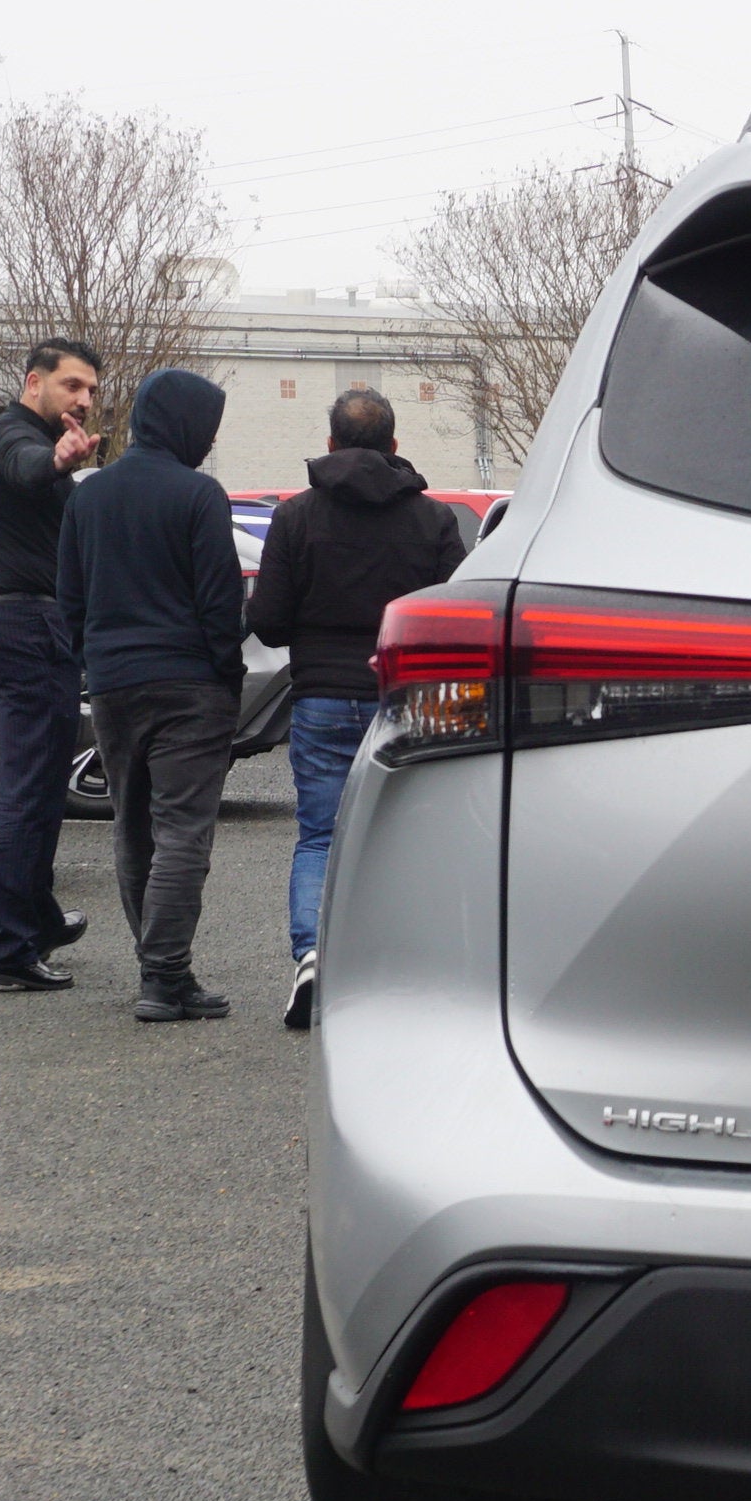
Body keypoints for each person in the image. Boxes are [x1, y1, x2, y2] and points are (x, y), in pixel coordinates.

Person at [245, 388, 467, 1029]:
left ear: (332, 444)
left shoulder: (296, 518)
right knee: (408, 836)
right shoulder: (434, 520)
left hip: (320, 697)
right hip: (407, 698)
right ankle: (405, 975)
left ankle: (313, 957)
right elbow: (454, 613)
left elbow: (271, 620)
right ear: (395, 448)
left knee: (319, 835)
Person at [60, 366, 247, 1021]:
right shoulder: (198, 495)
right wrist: (228, 680)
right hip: (191, 686)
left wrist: (95, 665)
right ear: (187, 423)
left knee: (132, 826)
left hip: (113, 686)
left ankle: (158, 969)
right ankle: (167, 977)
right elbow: (221, 604)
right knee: (183, 831)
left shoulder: (87, 497)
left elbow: (70, 600)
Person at [0, 338, 103, 991]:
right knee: (30, 795)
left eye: (91, 391)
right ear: (34, 381)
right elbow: (28, 467)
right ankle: (9, 950)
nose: (85, 401)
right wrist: (60, 458)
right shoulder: (13, 439)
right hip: (22, 629)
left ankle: (33, 917)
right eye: (72, 386)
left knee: (6, 790)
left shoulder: (8, 438)